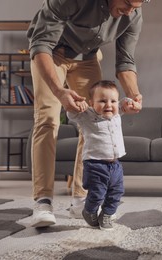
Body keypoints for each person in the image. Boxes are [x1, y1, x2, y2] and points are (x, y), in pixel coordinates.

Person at [27, 0, 150, 227]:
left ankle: (80, 198)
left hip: (88, 58)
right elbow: (41, 42)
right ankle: (43, 201)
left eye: (137, 5)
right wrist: (59, 91)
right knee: (47, 120)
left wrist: (134, 95)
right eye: (127, 3)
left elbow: (125, 61)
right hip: (51, 52)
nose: (131, 11)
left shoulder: (133, 14)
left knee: (96, 121)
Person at [67, 80, 127, 230]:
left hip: (115, 165)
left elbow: (124, 104)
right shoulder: (86, 115)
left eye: (113, 101)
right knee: (97, 193)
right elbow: (71, 114)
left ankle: (107, 214)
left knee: (117, 192)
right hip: (95, 164)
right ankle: (89, 211)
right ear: (91, 102)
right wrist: (77, 106)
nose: (108, 105)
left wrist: (130, 102)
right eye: (102, 101)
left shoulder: (116, 114)